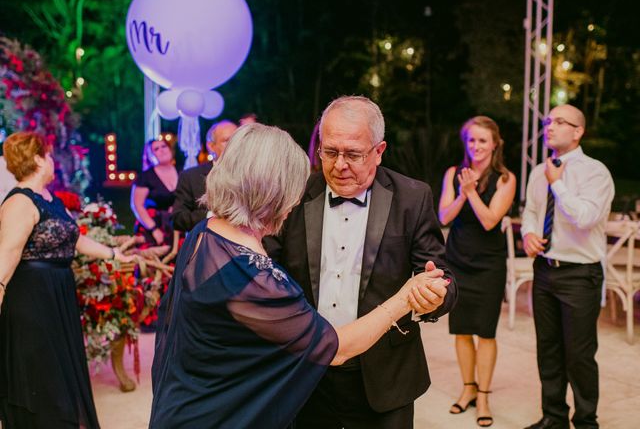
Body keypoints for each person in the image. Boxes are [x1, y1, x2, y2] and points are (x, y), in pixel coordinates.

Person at [149, 123, 449, 428]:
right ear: (275, 193)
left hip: (189, 405)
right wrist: (404, 297)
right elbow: (338, 347)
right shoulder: (251, 274)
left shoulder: (206, 234)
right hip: (226, 415)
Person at [265, 96, 457, 429]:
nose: (339, 164)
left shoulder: (412, 197)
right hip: (307, 373)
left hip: (386, 376)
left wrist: (437, 296)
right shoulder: (294, 196)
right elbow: (266, 268)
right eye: (329, 151)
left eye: (353, 154)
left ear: (379, 151)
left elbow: (440, 275)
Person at [0, 132, 133, 429]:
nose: (52, 161)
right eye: (47, 155)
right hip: (31, 300)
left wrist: (113, 254)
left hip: (56, 295)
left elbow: (76, 240)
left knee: (59, 371)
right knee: (43, 376)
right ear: (36, 159)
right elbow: (5, 256)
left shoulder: (49, 198)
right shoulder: (19, 203)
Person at [521, 105, 614, 429]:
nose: (549, 126)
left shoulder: (595, 172)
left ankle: (587, 421)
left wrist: (558, 184)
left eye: (560, 122)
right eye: (548, 121)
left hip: (580, 273)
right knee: (548, 349)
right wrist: (528, 233)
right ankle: (554, 416)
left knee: (579, 355)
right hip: (545, 269)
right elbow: (531, 211)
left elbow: (586, 218)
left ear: (578, 131)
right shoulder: (538, 171)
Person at [438, 115, 516, 427]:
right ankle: (467, 389)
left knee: (485, 331)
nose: (476, 146)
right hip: (457, 260)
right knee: (461, 329)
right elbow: (444, 216)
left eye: (483, 140)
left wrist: (471, 192)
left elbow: (489, 221)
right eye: (471, 140)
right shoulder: (454, 173)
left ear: (495, 143)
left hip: (489, 265)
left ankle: (483, 395)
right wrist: (461, 191)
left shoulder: (505, 178)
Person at [171, 120, 237, 232]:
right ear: (211, 146)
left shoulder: (253, 174)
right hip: (208, 244)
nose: (234, 145)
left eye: (237, 140)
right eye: (227, 140)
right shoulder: (191, 177)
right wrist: (213, 216)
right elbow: (177, 219)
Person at [131, 138, 179, 246]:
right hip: (154, 228)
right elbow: (137, 205)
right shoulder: (145, 177)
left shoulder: (182, 172)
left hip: (177, 226)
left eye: (164, 146)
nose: (162, 150)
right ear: (150, 156)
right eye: (156, 149)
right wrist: (153, 229)